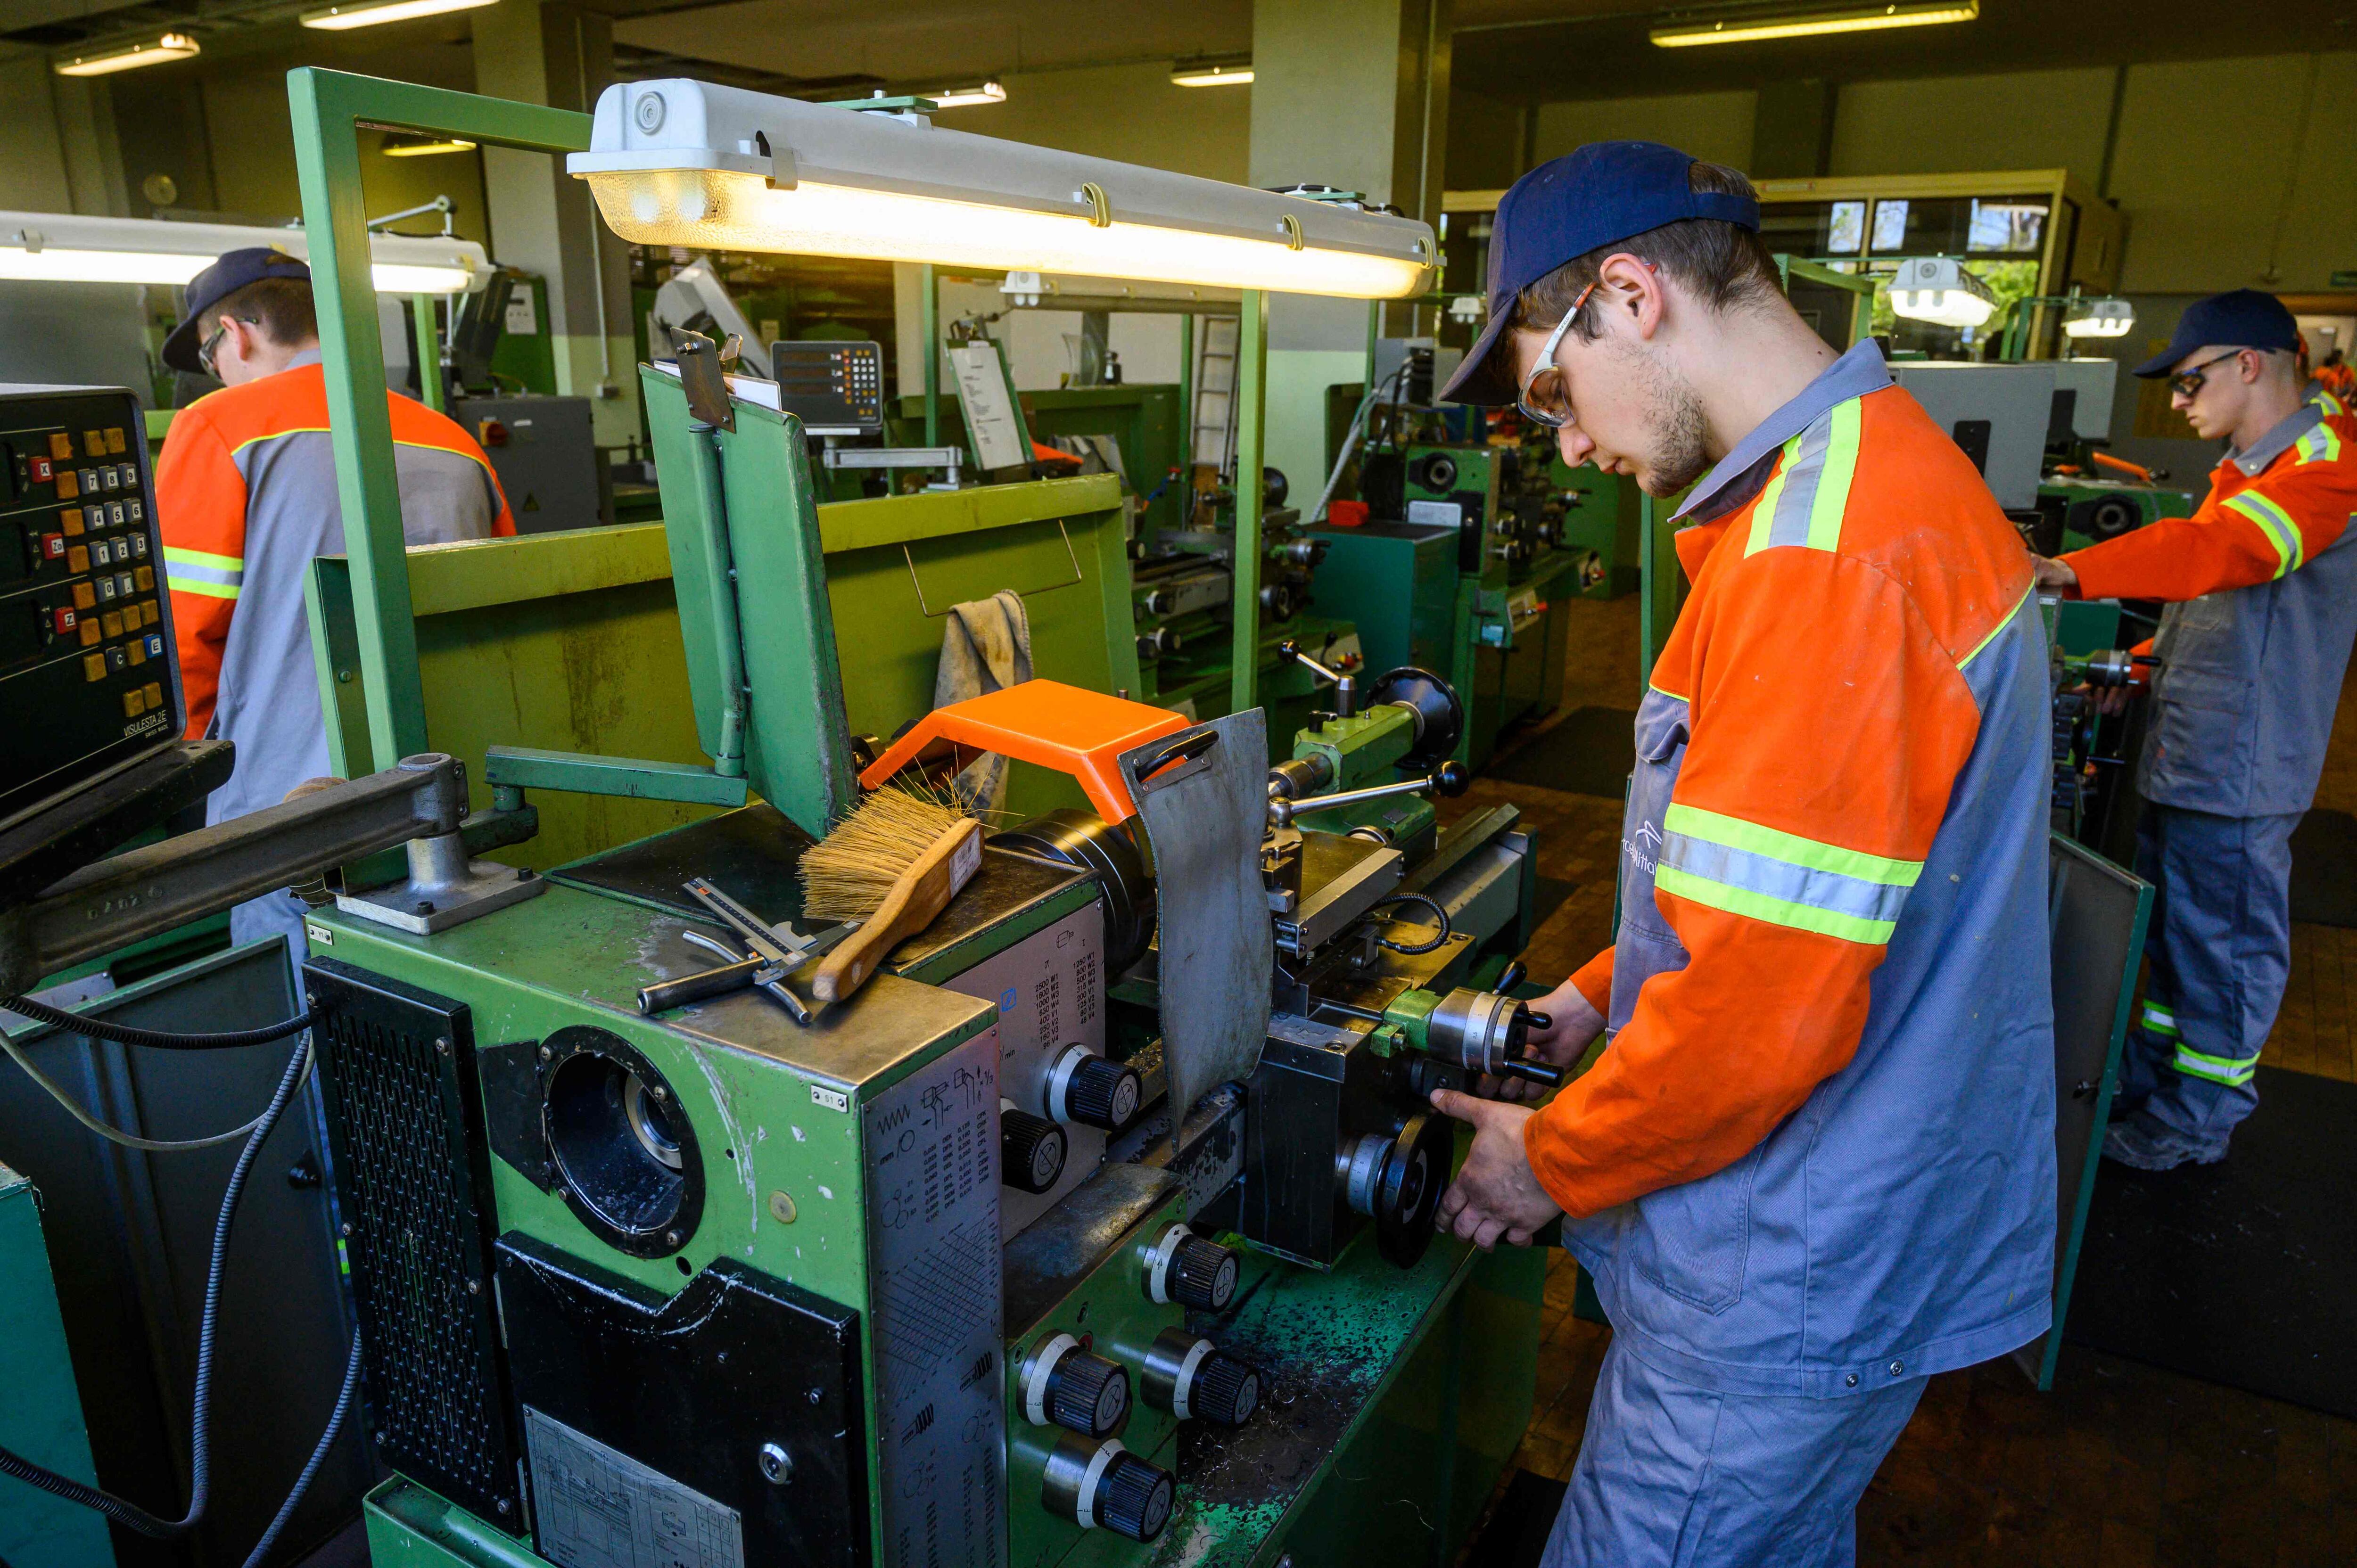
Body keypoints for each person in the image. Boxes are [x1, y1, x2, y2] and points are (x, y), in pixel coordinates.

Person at [1425, 142, 2056, 1566]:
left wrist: (1549, 1162)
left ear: (1630, 296)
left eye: (1552, 393)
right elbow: (1793, 896)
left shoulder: (1820, 562)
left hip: (1791, 1266)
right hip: (1850, 1221)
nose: (1567, 446)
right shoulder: (1861, 482)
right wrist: (1599, 992)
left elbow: (1754, 1015)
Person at [2034, 290, 2357, 1170]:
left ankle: (2201, 1117)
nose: (2178, 403)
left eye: (2187, 382)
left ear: (2247, 364)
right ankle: (2152, 1081)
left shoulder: (2327, 465)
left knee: (2226, 952)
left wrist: (2068, 571)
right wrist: (2140, 665)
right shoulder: (2243, 472)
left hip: (2245, 763)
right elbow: (2209, 606)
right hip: (2191, 747)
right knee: (2177, 939)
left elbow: (2217, 555)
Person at [156, 247, 514, 950]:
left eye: (208, 355)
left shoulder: (218, 427)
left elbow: (184, 642)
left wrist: (186, 778)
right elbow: (503, 614)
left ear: (236, 334)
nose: (216, 371)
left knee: (309, 1002)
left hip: (293, 820)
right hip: (453, 806)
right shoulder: (455, 441)